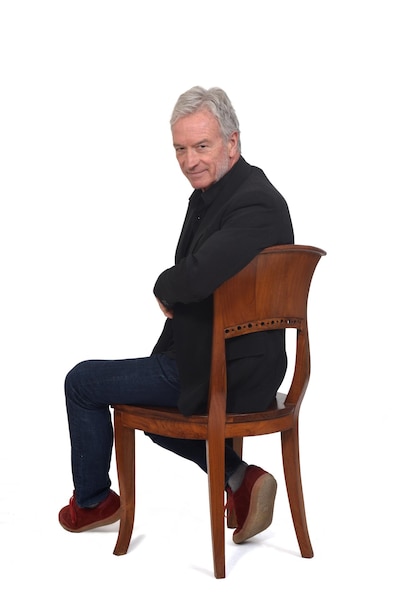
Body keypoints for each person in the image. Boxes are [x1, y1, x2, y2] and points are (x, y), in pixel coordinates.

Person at [59, 86, 294, 544]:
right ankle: (240, 478)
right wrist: (181, 286)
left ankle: (93, 502)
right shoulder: (216, 197)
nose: (190, 161)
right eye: (180, 149)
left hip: (227, 371)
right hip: (215, 361)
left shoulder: (254, 201)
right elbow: (199, 278)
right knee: (149, 420)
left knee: (82, 382)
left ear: (232, 142)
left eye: (201, 146)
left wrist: (164, 284)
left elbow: (194, 277)